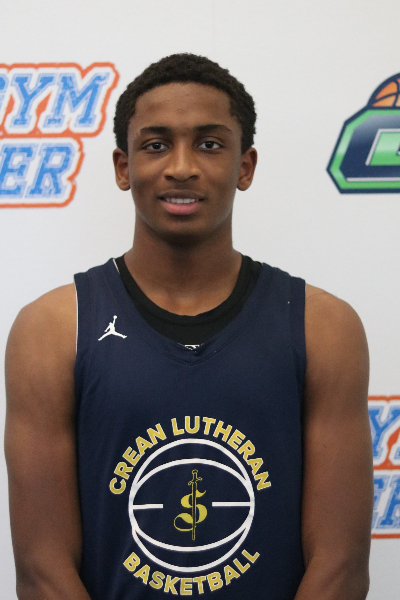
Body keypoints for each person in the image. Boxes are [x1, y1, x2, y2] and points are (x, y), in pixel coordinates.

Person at [5, 53, 373, 600]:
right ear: (123, 167)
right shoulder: (53, 330)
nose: (181, 167)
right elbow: (42, 571)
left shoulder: (322, 327)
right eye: (156, 145)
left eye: (209, 144)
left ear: (245, 166)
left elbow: (340, 566)